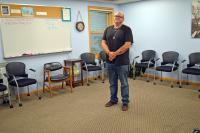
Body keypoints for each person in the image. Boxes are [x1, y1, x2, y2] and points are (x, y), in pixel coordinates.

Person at [101, 11, 133, 111]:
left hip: (122, 62)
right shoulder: (108, 29)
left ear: (123, 19)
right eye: (116, 16)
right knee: (112, 83)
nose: (117, 18)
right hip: (110, 62)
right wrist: (109, 53)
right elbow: (103, 43)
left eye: (119, 17)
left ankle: (125, 102)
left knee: (124, 84)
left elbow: (127, 45)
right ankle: (113, 100)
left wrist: (114, 54)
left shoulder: (127, 29)